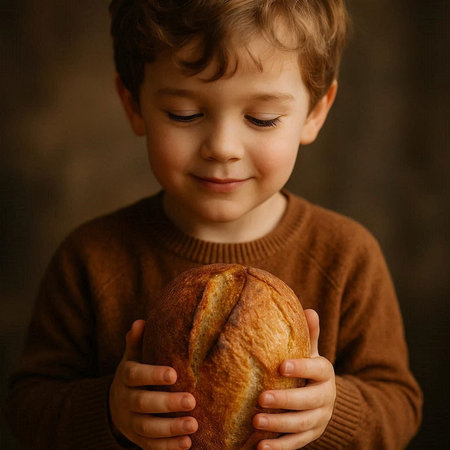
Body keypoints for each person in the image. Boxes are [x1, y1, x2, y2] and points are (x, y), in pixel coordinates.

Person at [6, 1, 422, 449]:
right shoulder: (90, 259)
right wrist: (109, 410)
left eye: (261, 118)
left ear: (316, 112)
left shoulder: (347, 256)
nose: (222, 148)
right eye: (185, 114)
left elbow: (400, 407)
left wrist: (333, 411)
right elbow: (29, 410)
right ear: (134, 105)